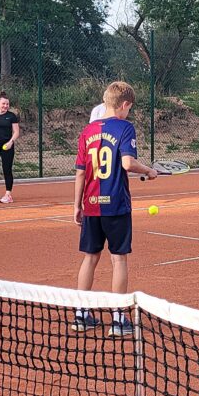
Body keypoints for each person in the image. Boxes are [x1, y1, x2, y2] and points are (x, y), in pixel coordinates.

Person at [70, 82, 159, 336]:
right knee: (118, 259)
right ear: (125, 104)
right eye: (129, 108)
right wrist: (149, 170)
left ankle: (81, 315)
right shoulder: (125, 127)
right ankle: (119, 320)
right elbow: (128, 163)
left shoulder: (87, 131)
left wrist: (77, 205)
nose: (128, 112)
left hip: (91, 204)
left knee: (90, 257)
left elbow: (80, 172)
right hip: (116, 205)